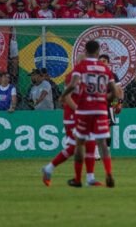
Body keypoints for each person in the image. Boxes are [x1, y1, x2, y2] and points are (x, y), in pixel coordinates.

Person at [58, 40, 122, 188]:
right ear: (98, 52)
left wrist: (63, 96)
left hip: (85, 108)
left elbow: (73, 85)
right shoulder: (105, 69)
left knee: (80, 143)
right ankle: (108, 172)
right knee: (102, 143)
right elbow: (114, 92)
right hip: (100, 109)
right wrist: (104, 99)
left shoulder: (81, 67)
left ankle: (78, 178)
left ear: (86, 52)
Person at [42, 53, 83, 186]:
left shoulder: (84, 76)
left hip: (78, 115)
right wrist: (79, 110)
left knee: (78, 146)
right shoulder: (72, 76)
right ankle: (85, 178)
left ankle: (50, 168)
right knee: (77, 146)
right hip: (72, 116)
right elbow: (67, 97)